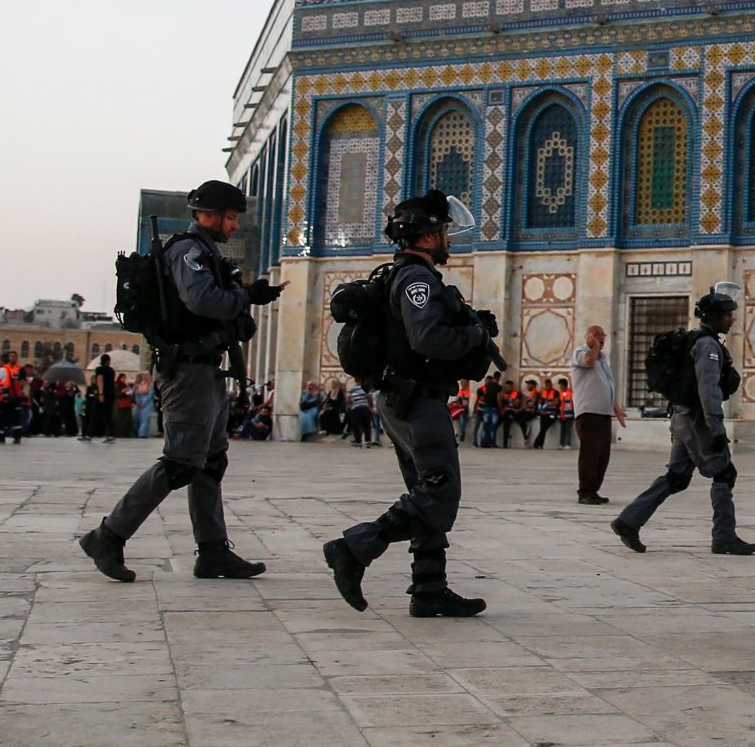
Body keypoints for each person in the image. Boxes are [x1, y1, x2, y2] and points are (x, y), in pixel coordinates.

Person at [77, 179, 280, 585]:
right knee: (181, 462)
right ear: (210, 216)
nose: (234, 226)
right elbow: (202, 301)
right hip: (186, 369)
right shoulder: (188, 252)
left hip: (207, 369)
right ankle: (108, 535)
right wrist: (245, 297)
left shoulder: (209, 254)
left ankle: (213, 552)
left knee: (210, 463)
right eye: (231, 218)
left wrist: (242, 305)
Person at [323, 189, 498, 618]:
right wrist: (473, 333)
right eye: (443, 231)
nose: (448, 239)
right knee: (440, 493)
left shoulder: (401, 276)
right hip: (417, 400)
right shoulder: (417, 280)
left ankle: (429, 587)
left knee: (425, 491)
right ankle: (354, 548)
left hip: (406, 397)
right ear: (424, 235)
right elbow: (428, 339)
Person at [613, 285, 754, 555]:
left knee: (677, 476)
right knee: (724, 473)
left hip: (680, 416)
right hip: (697, 419)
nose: (732, 319)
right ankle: (724, 537)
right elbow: (708, 389)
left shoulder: (694, 340)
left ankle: (628, 521)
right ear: (713, 316)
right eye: (727, 315)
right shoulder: (707, 346)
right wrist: (715, 429)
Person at [569, 326, 623, 505]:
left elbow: (607, 385)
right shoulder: (581, 352)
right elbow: (588, 361)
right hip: (589, 412)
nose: (601, 339)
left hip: (604, 412)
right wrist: (594, 347)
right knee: (590, 454)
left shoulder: (603, 359)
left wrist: (616, 408)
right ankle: (585, 491)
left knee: (602, 455)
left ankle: (594, 489)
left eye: (603, 336)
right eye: (596, 335)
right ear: (587, 337)